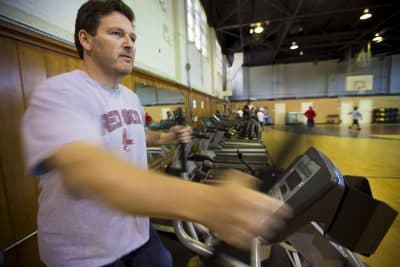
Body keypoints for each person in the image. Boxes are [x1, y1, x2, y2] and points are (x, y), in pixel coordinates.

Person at [21, 1, 292, 267]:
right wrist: (209, 202)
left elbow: (135, 134)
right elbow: (84, 169)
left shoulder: (129, 98)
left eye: (132, 37)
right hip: (82, 251)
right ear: (86, 40)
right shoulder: (60, 93)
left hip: (135, 230)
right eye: (116, 33)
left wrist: (167, 137)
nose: (129, 43)